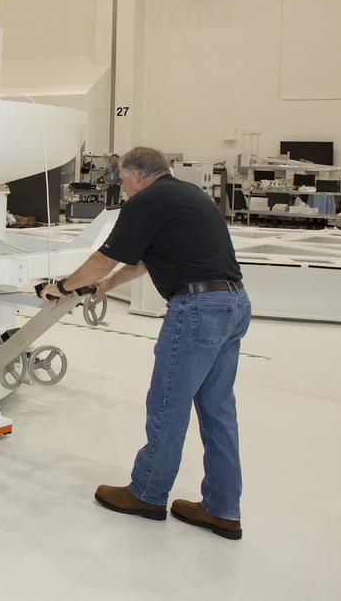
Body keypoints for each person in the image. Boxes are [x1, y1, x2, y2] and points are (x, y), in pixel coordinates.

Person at [40, 146, 249, 541]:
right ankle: (222, 509)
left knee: (168, 404)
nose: (121, 186)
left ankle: (147, 494)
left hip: (197, 309)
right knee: (218, 411)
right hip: (234, 304)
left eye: (121, 178)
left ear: (137, 174)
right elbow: (143, 261)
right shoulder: (187, 195)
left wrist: (62, 286)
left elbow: (104, 257)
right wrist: (106, 285)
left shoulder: (145, 201)